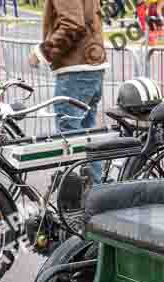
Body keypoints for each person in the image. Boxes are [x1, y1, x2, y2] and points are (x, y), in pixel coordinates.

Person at [29, 0, 109, 185]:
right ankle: (96, 191)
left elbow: (73, 24)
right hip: (90, 66)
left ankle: (88, 193)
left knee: (71, 135)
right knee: (86, 136)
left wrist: (43, 52)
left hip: (76, 70)